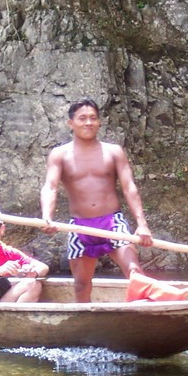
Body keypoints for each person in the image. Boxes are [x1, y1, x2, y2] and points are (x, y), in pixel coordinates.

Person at [40, 97, 153, 302]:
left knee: (135, 271)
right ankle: (85, 323)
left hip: (112, 222)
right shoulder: (60, 155)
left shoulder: (113, 152)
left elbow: (129, 187)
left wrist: (142, 225)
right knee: (82, 284)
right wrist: (47, 217)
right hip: (80, 226)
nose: (88, 123)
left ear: (99, 122)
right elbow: (50, 187)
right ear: (71, 123)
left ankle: (145, 316)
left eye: (93, 118)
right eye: (82, 118)